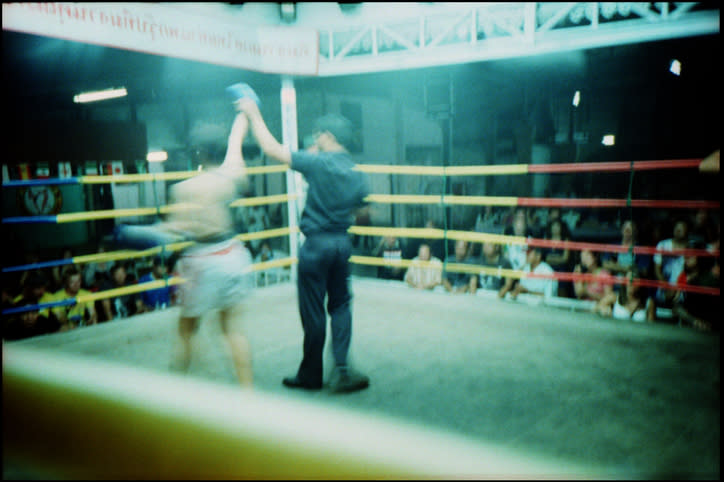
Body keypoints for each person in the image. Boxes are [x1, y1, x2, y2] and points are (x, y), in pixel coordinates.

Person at [238, 92, 371, 393]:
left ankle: (311, 375)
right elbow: (362, 213)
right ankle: (343, 369)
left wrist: (253, 114)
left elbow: (271, 149)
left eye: (317, 135)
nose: (315, 138)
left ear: (327, 135)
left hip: (316, 245)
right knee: (340, 306)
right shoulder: (356, 170)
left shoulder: (317, 163)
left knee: (313, 311)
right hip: (342, 243)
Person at [672, 240, 719, 332]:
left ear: (700, 257)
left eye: (691, 254)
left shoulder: (709, 280)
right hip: (694, 326)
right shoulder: (684, 277)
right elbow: (677, 306)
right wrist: (693, 320)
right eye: (686, 254)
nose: (686, 257)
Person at [653, 217, 690, 307]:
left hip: (682, 289)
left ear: (687, 231)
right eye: (676, 228)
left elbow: (691, 272)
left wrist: (678, 287)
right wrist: (666, 287)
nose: (678, 231)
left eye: (681, 229)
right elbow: (657, 269)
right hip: (664, 288)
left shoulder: (690, 248)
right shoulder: (663, 244)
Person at [544, 218, 573, 298]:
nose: (555, 228)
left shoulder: (565, 240)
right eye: (553, 226)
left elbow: (565, 259)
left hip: (561, 269)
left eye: (557, 226)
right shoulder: (547, 239)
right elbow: (544, 258)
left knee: (562, 288)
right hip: (548, 269)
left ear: (561, 228)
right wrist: (557, 258)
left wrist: (551, 258)